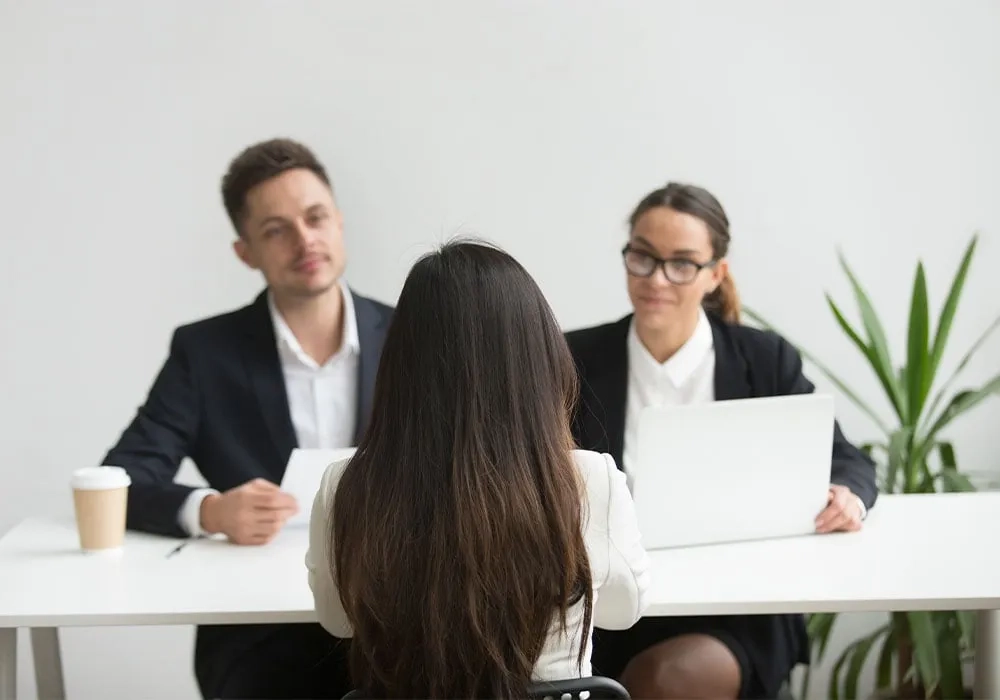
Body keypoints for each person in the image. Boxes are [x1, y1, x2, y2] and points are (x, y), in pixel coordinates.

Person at [101, 138, 393, 699]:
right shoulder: (205, 352)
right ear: (245, 252)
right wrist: (210, 509)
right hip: (258, 629)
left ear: (339, 222)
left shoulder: (413, 334)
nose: (304, 240)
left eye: (315, 218)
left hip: (394, 613)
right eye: (276, 229)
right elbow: (123, 477)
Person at [566, 182, 878, 699]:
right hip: (614, 606)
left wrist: (848, 496)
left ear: (716, 274)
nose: (657, 279)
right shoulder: (577, 358)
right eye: (642, 257)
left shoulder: (763, 360)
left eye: (682, 263)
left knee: (664, 682)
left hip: (738, 608)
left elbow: (847, 459)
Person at [305, 240, 651, 699]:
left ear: (400, 366)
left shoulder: (346, 485)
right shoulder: (589, 481)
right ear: (537, 360)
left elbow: (338, 620)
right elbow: (624, 612)